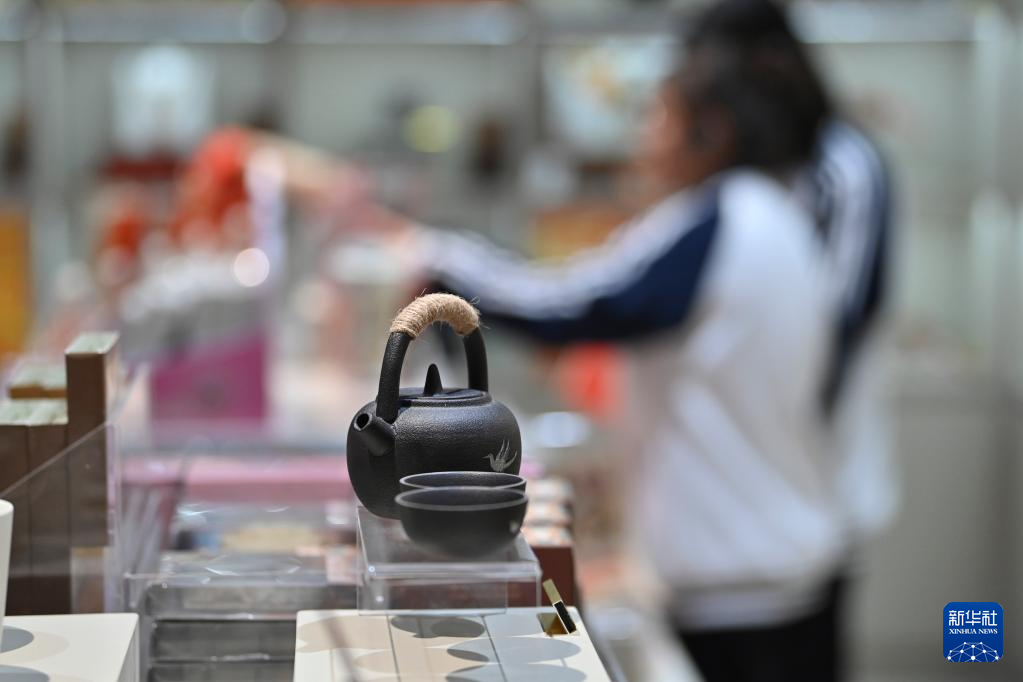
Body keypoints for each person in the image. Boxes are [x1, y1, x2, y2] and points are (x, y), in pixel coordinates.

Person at [232, 0, 895, 678]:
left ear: (712, 128)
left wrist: (430, 255)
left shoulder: (719, 221)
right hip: (773, 562)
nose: (642, 135)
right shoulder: (772, 216)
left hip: (741, 584)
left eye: (658, 114)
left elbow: (566, 304)